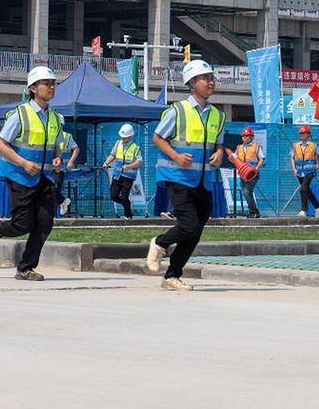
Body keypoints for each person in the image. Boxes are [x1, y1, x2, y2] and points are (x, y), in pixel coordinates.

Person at [146, 59, 225, 291]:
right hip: (178, 178)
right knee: (189, 226)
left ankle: (172, 276)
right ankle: (159, 243)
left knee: (195, 233)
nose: (211, 82)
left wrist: (219, 154)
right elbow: (158, 137)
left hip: (204, 182)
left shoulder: (217, 116)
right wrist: (177, 156)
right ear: (192, 83)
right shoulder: (177, 110)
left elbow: (218, 144)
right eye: (205, 78)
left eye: (212, 78)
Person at [0, 66, 64, 281]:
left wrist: (58, 157)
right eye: (46, 83)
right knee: (23, 224)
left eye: (53, 83)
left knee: (45, 223)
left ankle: (25, 268)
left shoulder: (55, 117)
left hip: (44, 178)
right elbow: (1, 143)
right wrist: (24, 163)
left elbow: (55, 145)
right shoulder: (20, 114)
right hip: (19, 175)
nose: (51, 87)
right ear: (33, 88)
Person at [103, 123, 142, 219]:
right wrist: (106, 163)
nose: (123, 139)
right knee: (114, 196)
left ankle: (128, 214)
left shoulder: (135, 148)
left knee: (124, 197)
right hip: (117, 174)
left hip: (128, 177)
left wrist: (129, 167)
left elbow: (139, 161)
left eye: (125, 137)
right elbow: (113, 155)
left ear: (130, 136)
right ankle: (126, 204)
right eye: (122, 137)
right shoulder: (118, 144)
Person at [290, 125, 319, 218]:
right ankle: (317, 206)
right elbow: (292, 157)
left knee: (303, 189)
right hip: (300, 171)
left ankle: (303, 210)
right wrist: (294, 169)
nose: (302, 135)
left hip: (310, 171)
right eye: (301, 133)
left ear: (308, 134)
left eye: (304, 133)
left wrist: (318, 164)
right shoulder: (295, 146)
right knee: (307, 190)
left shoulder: (314, 145)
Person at [235, 126, 264, 218]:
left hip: (253, 174)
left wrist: (256, 169)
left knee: (247, 191)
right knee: (246, 192)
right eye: (243, 136)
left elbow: (262, 159)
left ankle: (253, 212)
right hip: (243, 174)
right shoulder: (239, 147)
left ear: (251, 137)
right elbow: (235, 158)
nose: (244, 137)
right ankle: (255, 212)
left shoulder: (256, 147)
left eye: (247, 136)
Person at [55, 130, 79, 216]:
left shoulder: (66, 136)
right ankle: (63, 201)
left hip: (60, 169)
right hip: (48, 168)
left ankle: (62, 201)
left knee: (54, 189)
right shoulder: (48, 134)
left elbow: (76, 149)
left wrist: (71, 161)